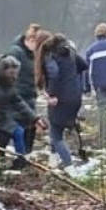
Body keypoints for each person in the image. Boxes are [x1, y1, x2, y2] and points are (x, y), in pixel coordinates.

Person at [36, 32, 89, 168]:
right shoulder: (70, 53)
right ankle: (54, 160)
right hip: (75, 96)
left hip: (60, 98)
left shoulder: (51, 55)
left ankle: (68, 164)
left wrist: (52, 94)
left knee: (56, 134)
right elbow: (84, 65)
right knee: (59, 128)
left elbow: (53, 73)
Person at [7, 23, 44, 109]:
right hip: (18, 99)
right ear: (31, 40)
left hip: (30, 97)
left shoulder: (33, 55)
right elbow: (8, 77)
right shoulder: (16, 52)